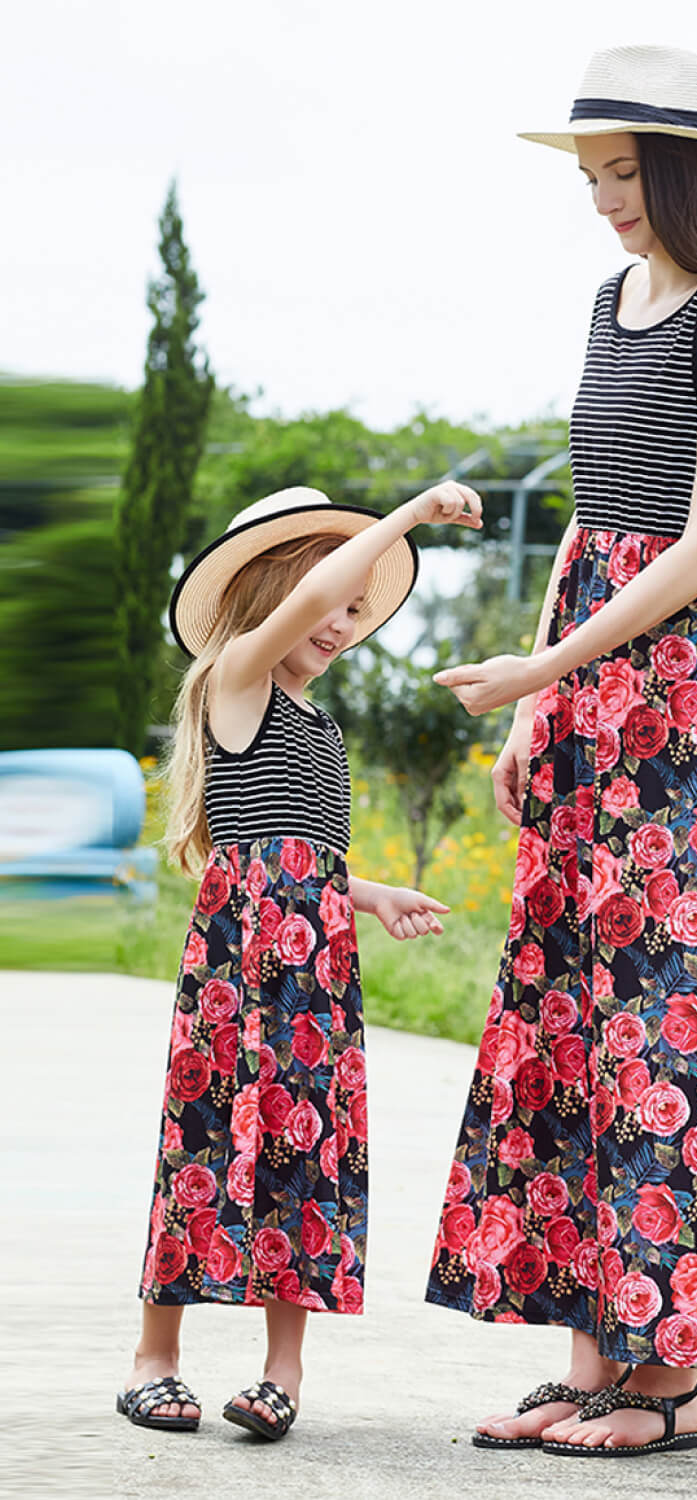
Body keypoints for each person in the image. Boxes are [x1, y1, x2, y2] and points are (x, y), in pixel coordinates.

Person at [425, 43, 697, 1459]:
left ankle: (670, 1385)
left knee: (670, 1005)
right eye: (590, 178)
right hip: (585, 671)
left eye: (626, 175)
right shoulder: (610, 298)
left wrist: (544, 664)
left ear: (688, 169)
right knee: (577, 1006)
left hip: (683, 688)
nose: (605, 202)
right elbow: (593, 517)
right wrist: (535, 697)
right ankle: (593, 1365)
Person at [117, 481, 481, 1441]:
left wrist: (372, 894)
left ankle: (284, 1372)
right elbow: (308, 601)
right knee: (204, 1140)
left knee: (304, 1148)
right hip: (238, 965)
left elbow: (303, 855)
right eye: (333, 601)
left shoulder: (319, 726)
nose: (342, 622)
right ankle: (155, 1358)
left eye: (357, 614)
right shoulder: (234, 680)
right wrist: (403, 519)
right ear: (278, 591)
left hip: (313, 971)